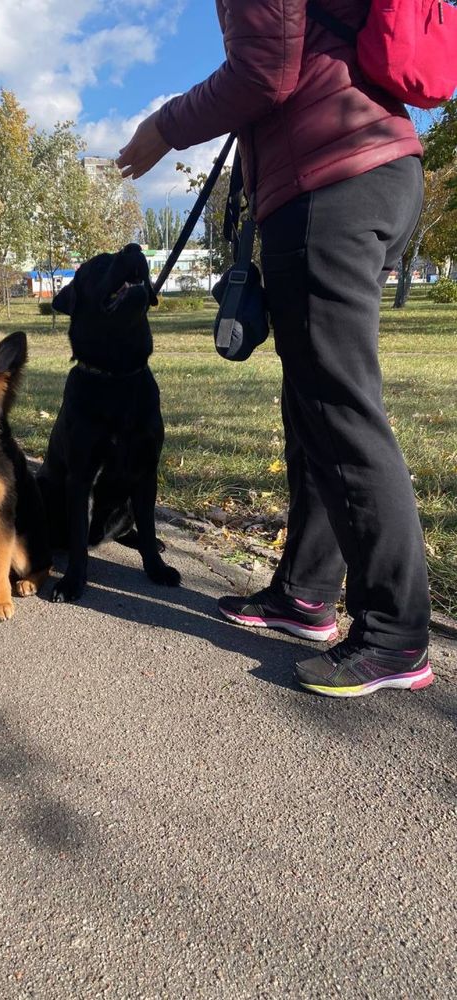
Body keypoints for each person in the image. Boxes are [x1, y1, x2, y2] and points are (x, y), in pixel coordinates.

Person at [117, 1, 434, 698]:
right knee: (314, 403)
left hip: (334, 178)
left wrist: (164, 125)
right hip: (361, 165)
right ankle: (306, 594)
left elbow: (264, 72)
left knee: (339, 407)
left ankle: (395, 636)